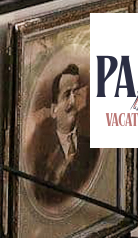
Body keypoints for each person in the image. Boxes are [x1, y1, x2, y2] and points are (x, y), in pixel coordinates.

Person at [25, 63, 99, 208]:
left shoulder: (92, 149)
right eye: (66, 95)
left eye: (76, 92)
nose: (73, 101)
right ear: (53, 110)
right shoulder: (40, 160)